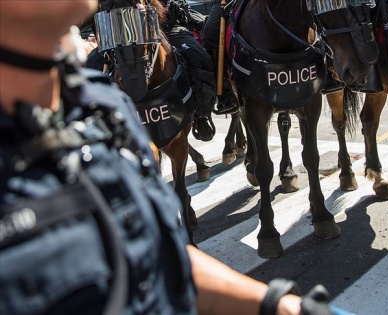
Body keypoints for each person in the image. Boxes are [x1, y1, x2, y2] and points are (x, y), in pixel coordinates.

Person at [0, 1, 350, 315]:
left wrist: (278, 306)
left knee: (195, 52)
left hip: (157, 23)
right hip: (126, 31)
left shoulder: (108, 107)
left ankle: (205, 108)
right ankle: (227, 90)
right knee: (214, 34)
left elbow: (157, 256)